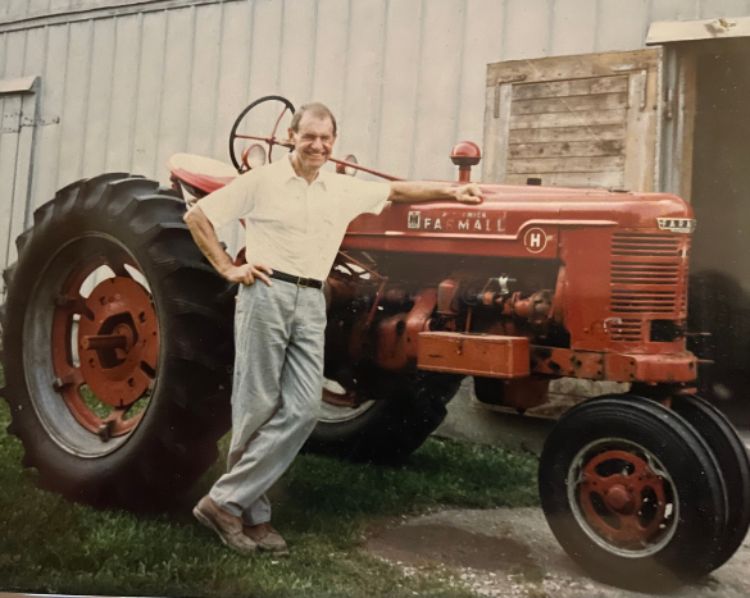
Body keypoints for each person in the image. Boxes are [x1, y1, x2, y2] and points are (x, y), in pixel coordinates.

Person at [184, 102, 483, 555]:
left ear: (334, 143)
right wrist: (228, 267)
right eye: (310, 136)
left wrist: (451, 193)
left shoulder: (340, 189)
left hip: (312, 300)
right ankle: (251, 515)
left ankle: (223, 501)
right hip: (267, 292)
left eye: (326, 139)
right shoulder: (262, 181)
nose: (318, 146)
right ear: (291, 135)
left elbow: (398, 192)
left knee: (303, 409)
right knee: (257, 405)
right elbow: (198, 217)